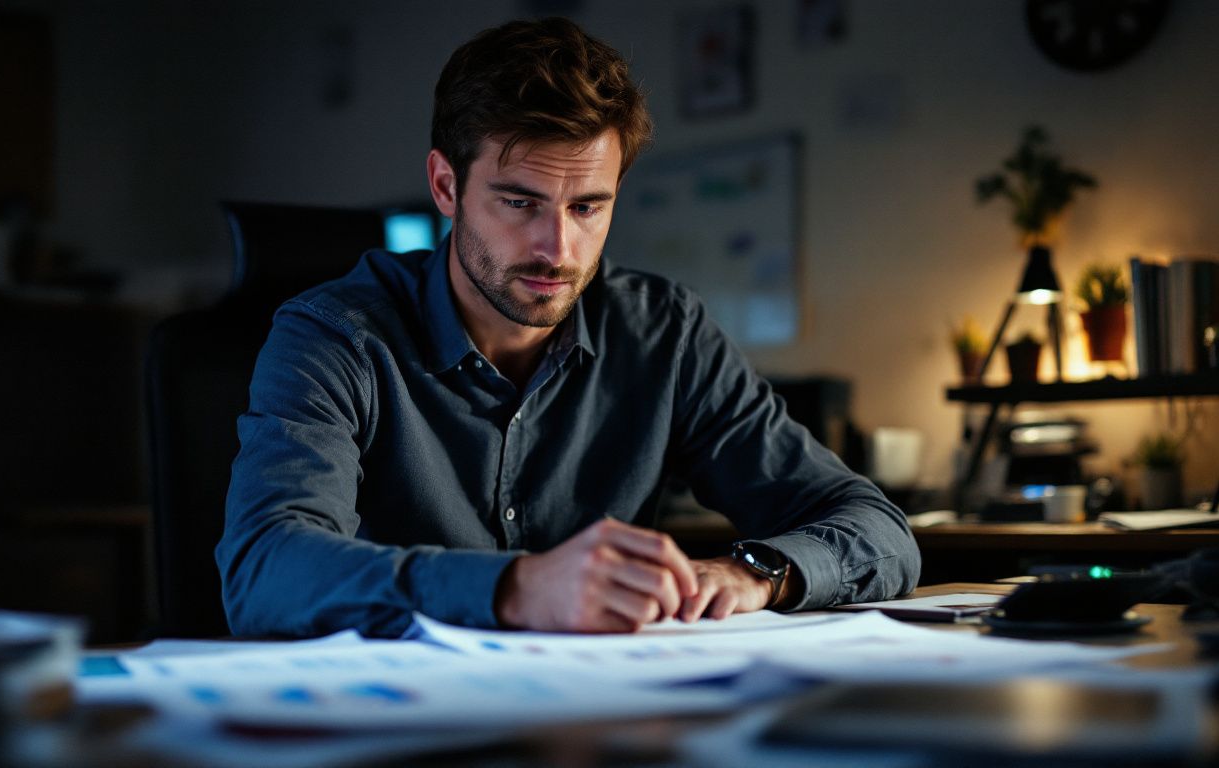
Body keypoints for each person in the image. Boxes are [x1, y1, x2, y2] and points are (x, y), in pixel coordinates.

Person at [217, 17, 919, 639]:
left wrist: (757, 570)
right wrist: (517, 588)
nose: (558, 249)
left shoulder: (664, 334)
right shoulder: (333, 335)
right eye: (519, 202)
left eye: (588, 207)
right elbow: (265, 567)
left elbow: (878, 529)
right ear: (445, 187)